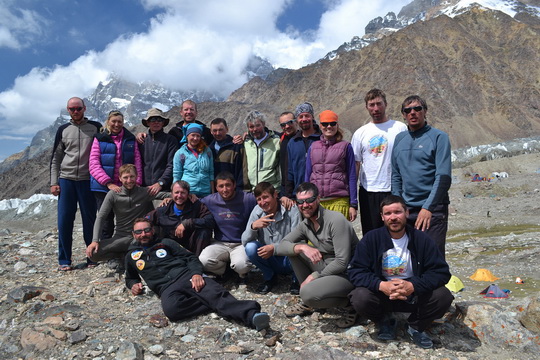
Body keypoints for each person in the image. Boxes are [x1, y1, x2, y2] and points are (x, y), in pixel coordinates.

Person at [125, 218, 270, 331]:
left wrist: (196, 274)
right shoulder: (131, 256)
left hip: (186, 276)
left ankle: (252, 315)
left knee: (213, 294)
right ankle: (214, 298)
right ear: (133, 234)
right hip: (165, 288)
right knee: (172, 311)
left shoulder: (166, 242)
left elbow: (191, 258)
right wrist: (133, 285)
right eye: (139, 232)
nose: (143, 234)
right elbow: (130, 277)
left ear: (152, 231)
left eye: (147, 230)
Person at [347, 195, 453, 349]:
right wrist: (381, 285)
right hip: (383, 296)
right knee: (359, 297)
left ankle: (415, 326)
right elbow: (355, 271)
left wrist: (413, 285)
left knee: (443, 296)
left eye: (397, 212)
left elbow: (441, 272)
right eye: (388, 214)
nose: (393, 217)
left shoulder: (421, 239)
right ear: (382, 217)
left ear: (407, 213)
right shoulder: (371, 239)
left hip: (413, 297)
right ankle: (385, 320)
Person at [275, 182, 359, 327]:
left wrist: (315, 276)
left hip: (347, 274)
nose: (305, 205)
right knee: (294, 251)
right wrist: (301, 247)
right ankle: (311, 301)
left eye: (309, 200)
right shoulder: (305, 224)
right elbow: (282, 246)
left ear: (318, 199)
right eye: (300, 202)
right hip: (327, 268)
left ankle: (351, 304)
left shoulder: (336, 220)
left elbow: (341, 262)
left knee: (307, 293)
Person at [391, 95, 452, 256]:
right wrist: (398, 207)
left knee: (433, 257)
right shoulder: (399, 139)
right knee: (409, 257)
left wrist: (428, 208)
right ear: (403, 115)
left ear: (425, 111)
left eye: (417, 109)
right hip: (407, 210)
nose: (413, 113)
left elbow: (443, 177)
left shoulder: (439, 137)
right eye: (408, 110)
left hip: (433, 210)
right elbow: (396, 176)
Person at [50, 97, 101, 271]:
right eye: (72, 109)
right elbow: (56, 158)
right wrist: (53, 182)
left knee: (90, 220)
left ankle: (92, 257)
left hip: (88, 180)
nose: (75, 111)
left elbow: (114, 136)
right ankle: (64, 260)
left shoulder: (95, 127)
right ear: (67, 110)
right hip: (66, 180)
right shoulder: (63, 130)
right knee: (64, 220)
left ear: (84, 108)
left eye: (78, 108)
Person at [86, 164, 169, 263]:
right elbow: (101, 217)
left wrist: (169, 198)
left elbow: (172, 195)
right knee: (93, 254)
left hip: (140, 236)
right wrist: (94, 241)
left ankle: (132, 255)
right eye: (125, 177)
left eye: (132, 177)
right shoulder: (113, 195)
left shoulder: (145, 192)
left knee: (143, 242)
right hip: (121, 237)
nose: (129, 180)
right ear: (120, 178)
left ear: (137, 176)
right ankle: (124, 255)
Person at [351, 89, 407, 234]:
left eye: (379, 104)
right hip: (369, 191)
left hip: (393, 189)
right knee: (371, 234)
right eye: (371, 105)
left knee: (396, 232)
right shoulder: (360, 133)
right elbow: (356, 164)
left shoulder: (400, 128)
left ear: (386, 104)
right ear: (366, 107)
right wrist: (352, 198)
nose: (375, 108)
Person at [89, 110, 143, 239]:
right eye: (114, 121)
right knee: (106, 221)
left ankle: (127, 251)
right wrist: (108, 183)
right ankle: (106, 252)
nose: (117, 124)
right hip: (102, 187)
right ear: (108, 122)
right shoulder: (99, 139)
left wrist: (138, 181)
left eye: (119, 121)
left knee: (126, 219)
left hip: (126, 187)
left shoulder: (130, 139)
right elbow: (93, 163)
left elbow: (137, 162)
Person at [241, 182, 301, 294]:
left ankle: (296, 279)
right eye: (259, 199)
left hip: (289, 259)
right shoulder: (257, 211)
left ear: (275, 195)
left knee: (301, 249)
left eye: (265, 197)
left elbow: (297, 240)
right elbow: (244, 241)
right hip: (270, 258)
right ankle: (270, 277)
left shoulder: (291, 209)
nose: (262, 202)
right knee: (250, 247)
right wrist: (253, 227)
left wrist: (274, 248)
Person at [199, 171, 256, 279]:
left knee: (242, 265)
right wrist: (170, 199)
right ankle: (226, 270)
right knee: (204, 260)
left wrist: (282, 199)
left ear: (234, 185)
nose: (225, 189)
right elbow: (191, 203)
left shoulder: (247, 198)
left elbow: (264, 198)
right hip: (219, 243)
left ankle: (239, 272)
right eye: (221, 186)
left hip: (241, 243)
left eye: (228, 185)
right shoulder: (210, 200)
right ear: (216, 187)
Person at [305, 110, 358, 221]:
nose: (329, 127)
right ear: (320, 126)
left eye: (332, 123)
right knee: (315, 238)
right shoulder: (313, 147)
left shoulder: (346, 146)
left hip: (339, 201)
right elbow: (308, 175)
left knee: (338, 237)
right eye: (325, 124)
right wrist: (306, 200)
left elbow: (352, 176)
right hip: (317, 203)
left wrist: (353, 204)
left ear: (337, 125)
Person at [146, 180, 213, 256]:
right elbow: (145, 221)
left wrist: (188, 223)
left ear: (188, 194)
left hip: (192, 248)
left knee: (204, 230)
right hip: (171, 248)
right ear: (171, 194)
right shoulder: (164, 209)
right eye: (176, 192)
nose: (179, 196)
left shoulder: (196, 205)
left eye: (183, 193)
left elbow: (210, 220)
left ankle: (197, 261)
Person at [284, 102, 321, 199]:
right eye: (301, 117)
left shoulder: (322, 138)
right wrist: (289, 195)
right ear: (297, 120)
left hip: (320, 193)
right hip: (300, 194)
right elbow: (289, 171)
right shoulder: (292, 143)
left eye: (307, 116)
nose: (304, 119)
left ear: (312, 117)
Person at [140, 108, 179, 195]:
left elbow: (172, 164)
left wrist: (161, 183)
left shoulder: (170, 140)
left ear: (163, 122)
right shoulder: (142, 141)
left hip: (164, 190)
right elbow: (137, 164)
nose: (156, 122)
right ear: (148, 122)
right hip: (142, 189)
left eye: (159, 120)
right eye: (153, 119)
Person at [243, 111, 281, 192]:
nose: (255, 129)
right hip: (253, 192)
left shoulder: (276, 141)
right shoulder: (246, 144)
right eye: (251, 127)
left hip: (273, 191)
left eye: (258, 125)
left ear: (263, 124)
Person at [172, 123, 214, 197]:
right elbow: (177, 175)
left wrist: (213, 193)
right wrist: (175, 193)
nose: (195, 138)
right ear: (187, 136)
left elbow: (211, 172)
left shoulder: (207, 151)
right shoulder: (180, 153)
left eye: (198, 136)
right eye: (193, 135)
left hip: (206, 192)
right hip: (187, 192)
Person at [209, 118, 245, 191]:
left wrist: (238, 189)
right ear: (211, 132)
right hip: (214, 192)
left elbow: (241, 171)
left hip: (232, 191)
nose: (218, 133)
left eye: (220, 130)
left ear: (227, 129)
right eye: (215, 130)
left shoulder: (236, 147)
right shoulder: (208, 149)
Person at [277, 112, 299, 194]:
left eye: (290, 122)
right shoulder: (280, 139)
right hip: (284, 187)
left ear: (296, 122)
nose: (287, 126)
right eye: (283, 125)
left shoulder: (302, 139)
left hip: (300, 186)